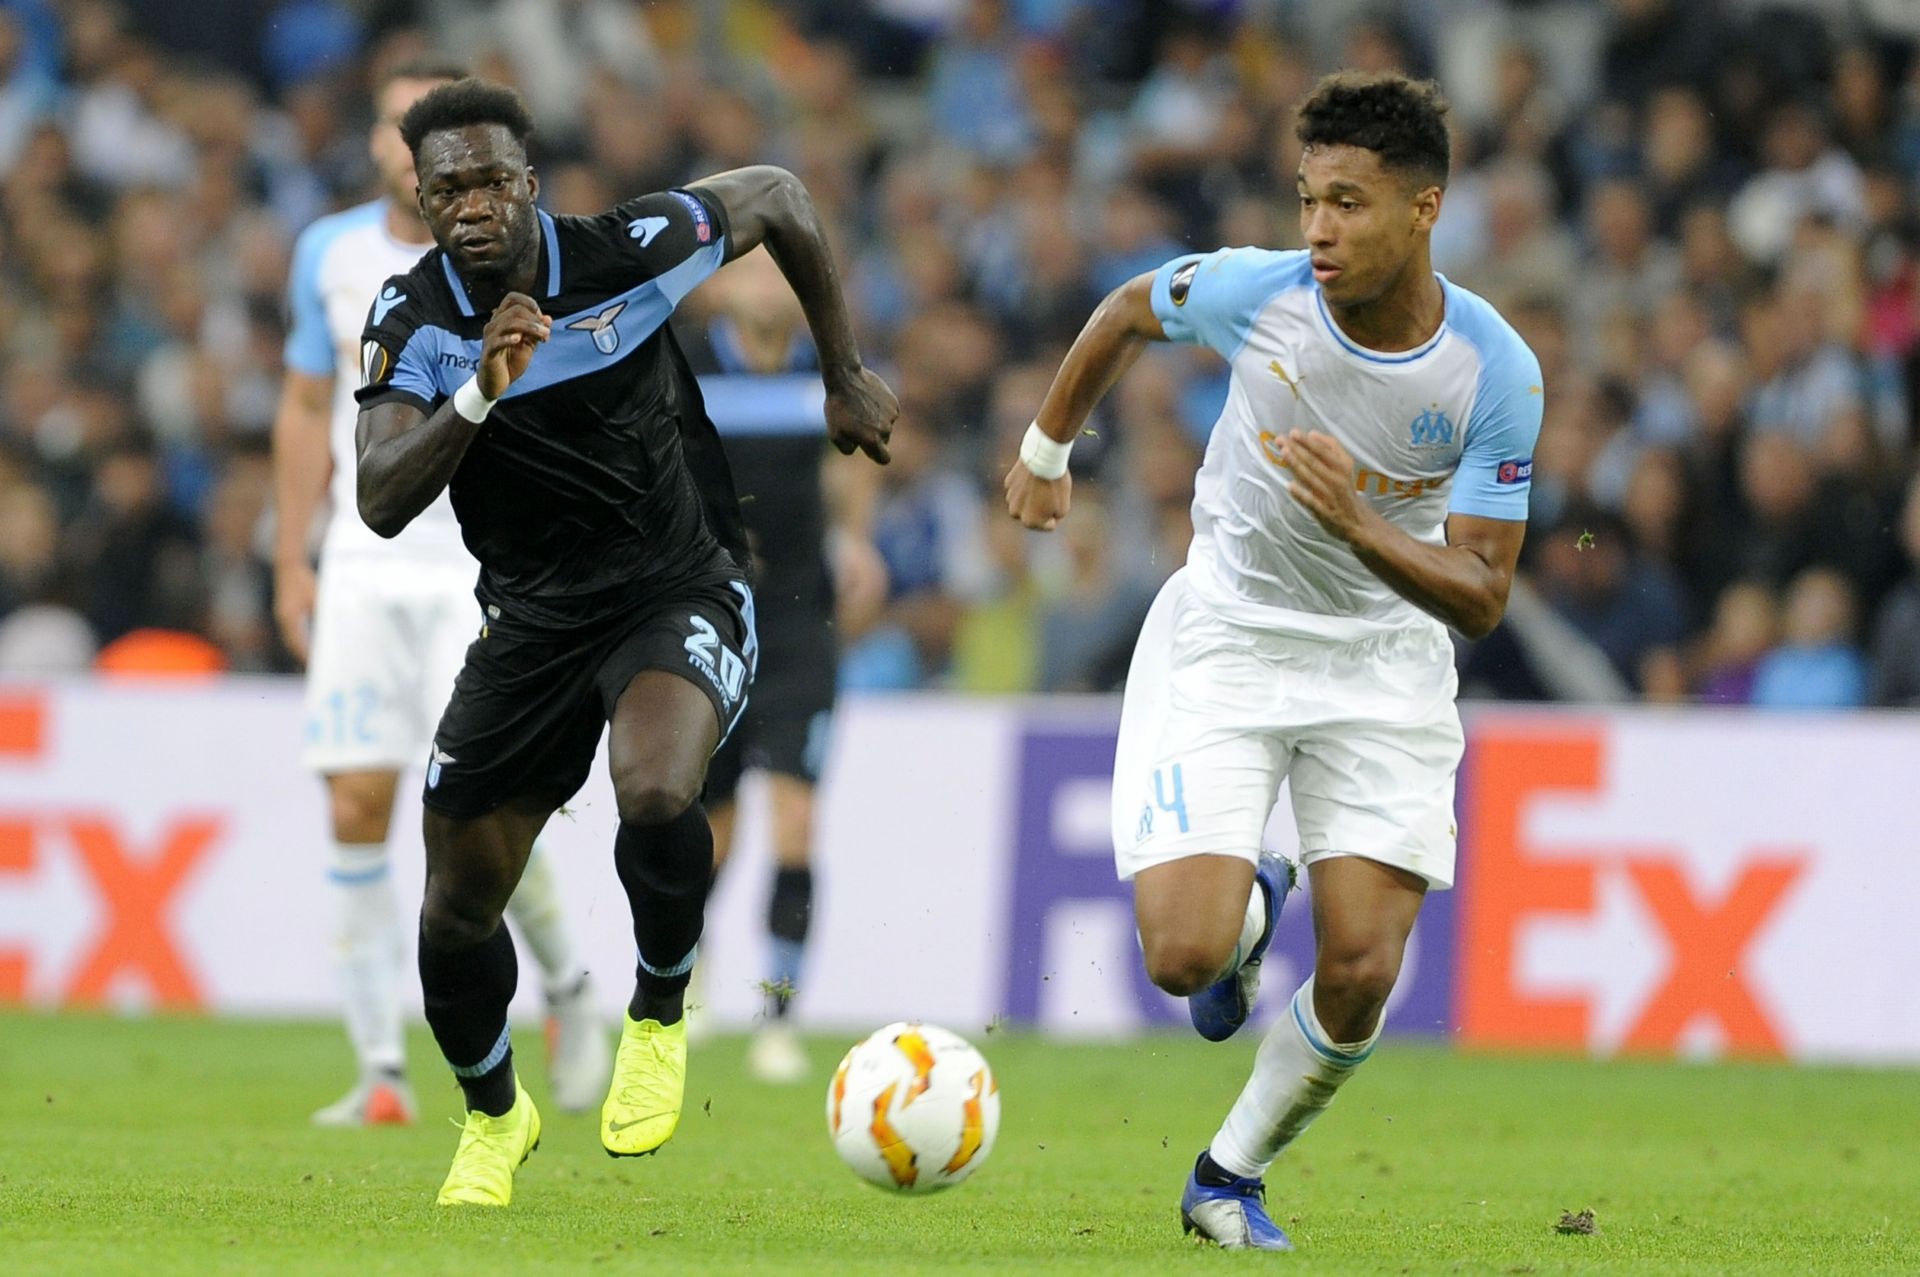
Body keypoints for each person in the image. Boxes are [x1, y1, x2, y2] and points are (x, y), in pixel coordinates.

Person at [1005, 72, 1542, 1252]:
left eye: (1348, 203)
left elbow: (1486, 594)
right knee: (1183, 953)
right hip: (1231, 637)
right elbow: (1126, 309)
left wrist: (1359, 525)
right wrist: (1049, 447)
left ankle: (1225, 1174)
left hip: (1383, 664)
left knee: (1360, 967)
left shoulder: (1494, 370)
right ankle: (1252, 905)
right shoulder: (1261, 291)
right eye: (1307, 199)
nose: (1318, 229)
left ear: (1425, 208)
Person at [352, 79, 894, 1206]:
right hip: (532, 624)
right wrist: (479, 396)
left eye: (494, 180)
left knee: (654, 790)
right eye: (449, 187)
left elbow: (782, 197)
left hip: (677, 584)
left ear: (529, 182)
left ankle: (659, 1007)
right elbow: (378, 497)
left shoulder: (627, 248)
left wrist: (842, 372)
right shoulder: (411, 322)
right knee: (455, 908)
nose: (475, 205)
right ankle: (496, 1115)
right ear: (421, 198)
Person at [271, 59, 611, 1129]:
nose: (399, 141)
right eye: (386, 122)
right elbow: (302, 405)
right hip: (365, 567)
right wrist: (293, 553)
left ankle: (567, 986)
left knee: (482, 817)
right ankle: (379, 1068)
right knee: (356, 803)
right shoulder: (328, 254)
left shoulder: (527, 259)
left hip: (477, 565)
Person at [679, 248, 876, 1083]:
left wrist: (859, 542)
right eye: (753, 273)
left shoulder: (826, 371)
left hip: (801, 628)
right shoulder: (688, 364)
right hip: (714, 623)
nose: (768, 289)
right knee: (711, 833)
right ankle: (686, 977)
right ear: (721, 286)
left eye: (782, 277)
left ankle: (777, 1014)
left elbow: (852, 466)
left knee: (796, 820)